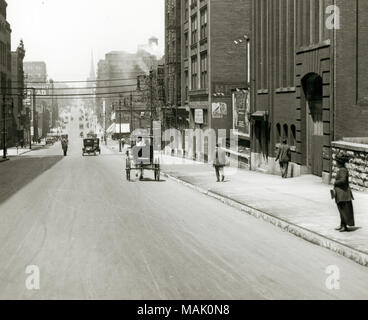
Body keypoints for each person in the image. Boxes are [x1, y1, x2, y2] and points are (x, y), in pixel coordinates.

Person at [334, 155, 355, 232]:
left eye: (336, 162)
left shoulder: (343, 170)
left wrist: (335, 182)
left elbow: (343, 181)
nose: (335, 163)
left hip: (343, 194)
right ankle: (342, 225)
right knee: (341, 210)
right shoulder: (342, 169)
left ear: (339, 163)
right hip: (341, 194)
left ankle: (344, 226)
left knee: (344, 211)